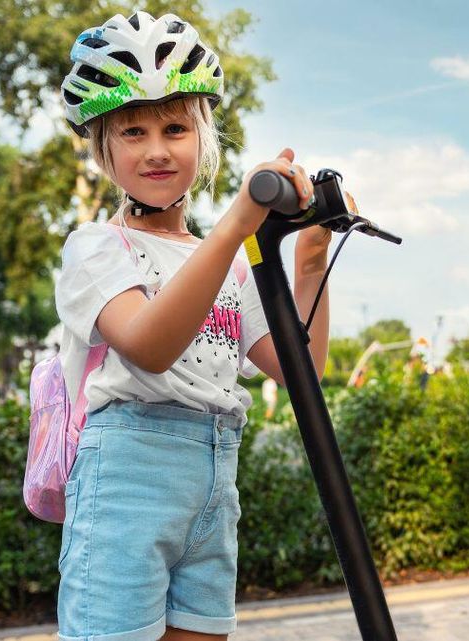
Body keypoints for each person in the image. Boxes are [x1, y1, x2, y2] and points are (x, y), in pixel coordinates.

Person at [53, 11, 331, 641]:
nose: (157, 148)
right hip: (128, 476)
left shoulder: (229, 262)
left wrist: (310, 260)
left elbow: (302, 372)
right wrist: (238, 223)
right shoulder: (96, 247)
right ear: (103, 147)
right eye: (133, 131)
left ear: (203, 136)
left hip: (215, 478)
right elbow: (149, 346)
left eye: (176, 127)